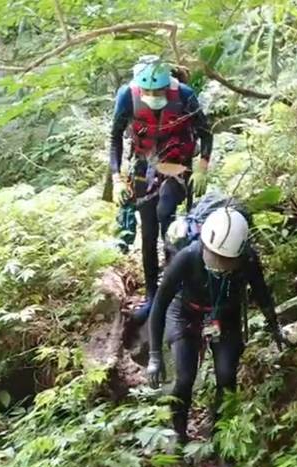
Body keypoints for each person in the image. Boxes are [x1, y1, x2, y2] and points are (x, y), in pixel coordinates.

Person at [146, 207, 284, 444]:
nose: (220, 265)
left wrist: (274, 327)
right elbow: (159, 304)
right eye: (214, 256)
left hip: (225, 315)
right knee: (184, 378)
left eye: (227, 260)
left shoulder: (248, 259)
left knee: (227, 376)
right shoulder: (187, 257)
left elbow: (261, 292)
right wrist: (155, 355)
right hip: (185, 312)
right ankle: (178, 437)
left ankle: (222, 439)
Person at [109, 55, 213, 323]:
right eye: (149, 91)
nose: (154, 95)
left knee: (166, 213)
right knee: (148, 230)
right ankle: (153, 296)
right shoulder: (127, 96)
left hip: (177, 165)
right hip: (144, 167)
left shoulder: (184, 95)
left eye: (159, 91)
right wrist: (117, 178)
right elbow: (115, 139)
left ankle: (176, 286)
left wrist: (202, 167)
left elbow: (205, 132)